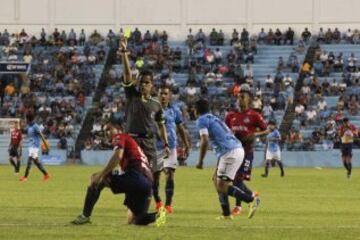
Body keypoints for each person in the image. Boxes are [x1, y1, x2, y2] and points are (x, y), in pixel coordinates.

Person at [71, 123, 166, 226]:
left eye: (109, 129)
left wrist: (102, 174)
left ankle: (85, 216)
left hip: (137, 177)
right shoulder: (130, 142)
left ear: (118, 129)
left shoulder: (120, 136)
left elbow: (118, 157)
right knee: (136, 220)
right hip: (147, 183)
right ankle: (159, 215)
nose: (106, 133)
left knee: (96, 178)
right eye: (104, 131)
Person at [118, 38, 171, 206]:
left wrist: (166, 143)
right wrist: (125, 54)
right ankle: (133, 202)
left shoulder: (156, 104)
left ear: (152, 85)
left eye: (147, 82)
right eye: (141, 81)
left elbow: (161, 124)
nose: (143, 85)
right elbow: (127, 74)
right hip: (132, 140)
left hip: (149, 142)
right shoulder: (132, 95)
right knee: (133, 173)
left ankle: (153, 199)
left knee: (154, 174)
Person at [195, 99, 260, 219]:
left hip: (230, 152)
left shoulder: (202, 120)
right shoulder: (213, 118)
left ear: (196, 110)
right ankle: (226, 214)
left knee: (222, 185)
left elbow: (204, 140)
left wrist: (200, 161)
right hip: (233, 150)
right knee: (216, 180)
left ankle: (251, 200)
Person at [225, 84, 268, 215]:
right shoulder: (231, 116)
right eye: (239, 96)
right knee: (234, 180)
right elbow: (225, 132)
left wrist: (255, 135)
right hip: (233, 152)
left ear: (249, 99)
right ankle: (252, 195)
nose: (240, 99)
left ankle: (239, 206)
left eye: (243, 96)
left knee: (238, 180)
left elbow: (266, 130)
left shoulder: (255, 115)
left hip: (247, 152)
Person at [152, 85, 191, 213]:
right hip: (154, 147)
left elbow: (180, 128)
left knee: (170, 174)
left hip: (171, 147)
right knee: (155, 176)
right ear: (157, 95)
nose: (163, 96)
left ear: (169, 96)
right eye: (161, 93)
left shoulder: (175, 110)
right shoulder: (152, 108)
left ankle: (168, 205)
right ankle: (158, 201)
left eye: (165, 94)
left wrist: (186, 144)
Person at [19, 112, 50, 182]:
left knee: (29, 161)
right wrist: (20, 126)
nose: (25, 120)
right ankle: (46, 174)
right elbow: (24, 131)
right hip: (31, 146)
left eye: (26, 118)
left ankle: (25, 177)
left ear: (28, 119)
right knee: (36, 162)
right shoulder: (29, 126)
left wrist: (45, 144)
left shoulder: (35, 126)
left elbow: (41, 135)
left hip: (34, 146)